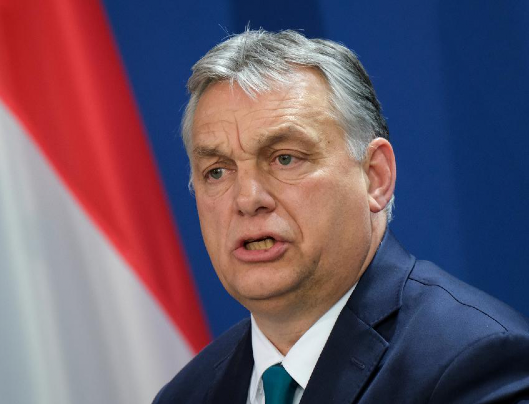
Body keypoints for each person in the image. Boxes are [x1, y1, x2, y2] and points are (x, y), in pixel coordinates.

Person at [153, 29, 529, 403]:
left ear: (375, 177)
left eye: (285, 158)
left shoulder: (474, 362)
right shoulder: (185, 396)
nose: (248, 199)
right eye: (217, 171)